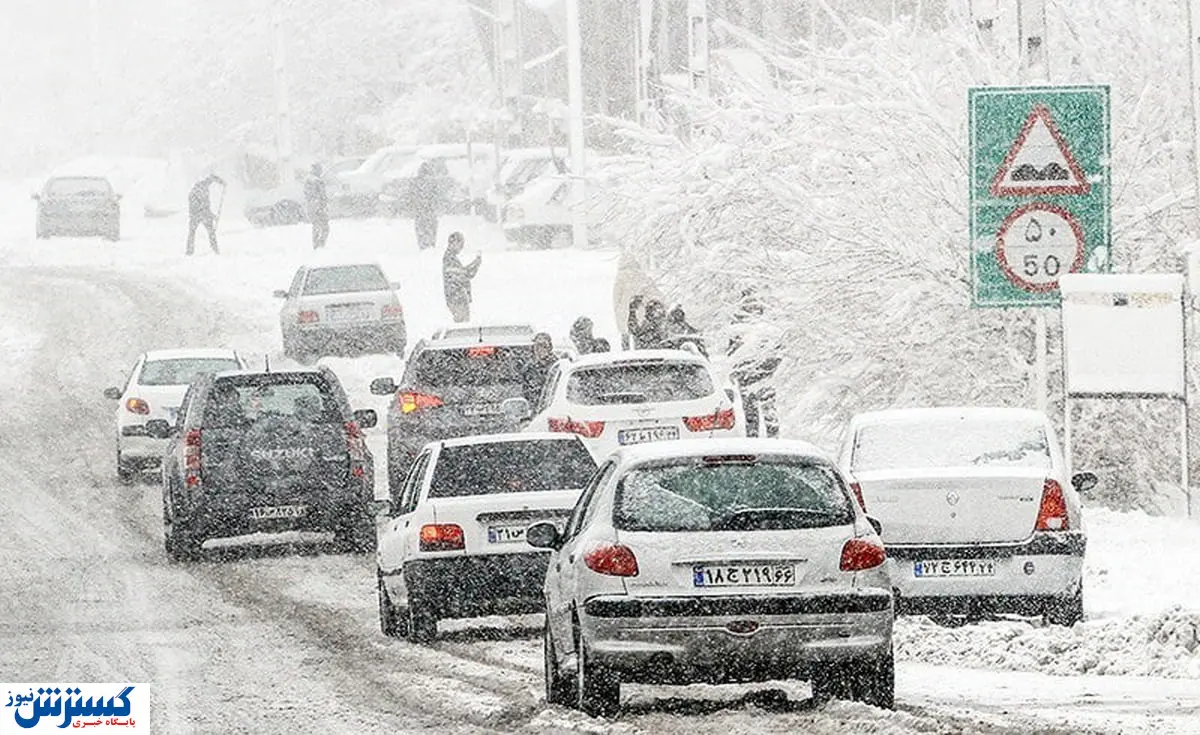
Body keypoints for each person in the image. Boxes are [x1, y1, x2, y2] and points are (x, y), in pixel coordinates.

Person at [727, 288, 781, 438]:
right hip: (759, 375)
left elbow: (732, 352)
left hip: (753, 375)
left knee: (753, 411)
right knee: (764, 409)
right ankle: (769, 436)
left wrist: (736, 370)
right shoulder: (767, 326)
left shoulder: (741, 326)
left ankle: (756, 437)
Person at [442, 231, 482, 323]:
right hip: (456, 298)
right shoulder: (449, 259)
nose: (461, 248)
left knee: (463, 322)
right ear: (454, 243)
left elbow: (464, 274)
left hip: (458, 298)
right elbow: (465, 275)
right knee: (462, 324)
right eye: (460, 244)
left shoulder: (451, 259)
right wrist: (476, 263)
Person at [412, 159, 449, 250]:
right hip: (430, 211)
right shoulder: (433, 182)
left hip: (420, 212)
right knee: (431, 228)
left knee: (421, 228)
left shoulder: (415, 182)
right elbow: (437, 196)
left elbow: (411, 197)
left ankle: (423, 244)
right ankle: (431, 244)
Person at [186, 172, 225, 255]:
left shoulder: (202, 186)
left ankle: (214, 249)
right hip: (197, 215)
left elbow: (211, 179)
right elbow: (201, 207)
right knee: (196, 233)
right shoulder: (195, 194)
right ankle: (190, 251)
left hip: (201, 214)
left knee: (208, 232)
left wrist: (221, 182)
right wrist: (211, 215)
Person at [522, 332, 557, 404]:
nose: (539, 349)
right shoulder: (528, 369)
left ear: (550, 347)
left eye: (543, 346)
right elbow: (525, 393)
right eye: (537, 346)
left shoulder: (557, 366)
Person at [304, 163, 329, 250]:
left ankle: (316, 244)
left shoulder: (308, 180)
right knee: (324, 227)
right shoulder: (317, 181)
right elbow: (322, 195)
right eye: (320, 169)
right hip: (318, 206)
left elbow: (307, 194)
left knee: (316, 225)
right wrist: (322, 204)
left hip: (311, 206)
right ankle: (320, 244)